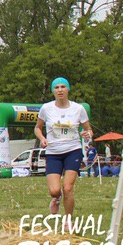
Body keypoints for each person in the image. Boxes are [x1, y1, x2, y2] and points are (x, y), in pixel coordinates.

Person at [34, 78, 91, 226]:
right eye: (57, 87)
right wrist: (42, 138)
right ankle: (56, 198)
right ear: (53, 91)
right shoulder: (46, 108)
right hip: (53, 152)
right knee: (54, 190)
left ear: (68, 89)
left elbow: (88, 129)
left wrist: (87, 134)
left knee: (67, 188)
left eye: (63, 87)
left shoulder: (78, 109)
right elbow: (38, 128)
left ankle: (68, 220)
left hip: (73, 150)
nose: (60, 90)